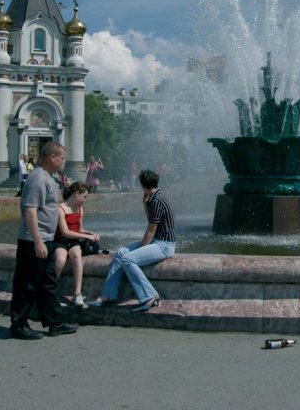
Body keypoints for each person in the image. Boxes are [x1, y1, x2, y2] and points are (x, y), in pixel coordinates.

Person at [9, 141, 79, 340]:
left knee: (48, 283)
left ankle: (54, 323)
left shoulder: (46, 177)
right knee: (27, 285)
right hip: (33, 242)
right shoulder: (38, 178)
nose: (63, 162)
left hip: (46, 240)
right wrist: (38, 242)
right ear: (52, 158)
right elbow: (30, 212)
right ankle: (18, 325)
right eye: (62, 158)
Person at [89, 169, 176, 312]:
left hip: (164, 245)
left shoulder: (157, 201)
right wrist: (144, 203)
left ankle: (150, 296)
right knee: (121, 252)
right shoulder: (154, 197)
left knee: (128, 259)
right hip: (157, 241)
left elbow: (150, 230)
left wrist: (141, 249)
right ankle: (108, 295)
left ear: (143, 185)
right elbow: (151, 221)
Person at [52, 181, 100, 309]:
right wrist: (86, 236)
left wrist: (91, 233)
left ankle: (77, 293)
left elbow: (80, 229)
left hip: (73, 241)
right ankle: (49, 292)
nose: (85, 200)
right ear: (76, 194)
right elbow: (65, 232)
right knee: (60, 260)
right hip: (61, 240)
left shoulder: (79, 209)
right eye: (84, 197)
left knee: (76, 256)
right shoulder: (60, 208)